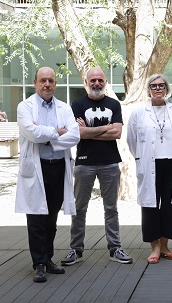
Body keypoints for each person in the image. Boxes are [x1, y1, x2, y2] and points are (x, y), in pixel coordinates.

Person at [61, 67, 133, 266]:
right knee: (79, 208)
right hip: (84, 162)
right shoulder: (77, 104)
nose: (96, 84)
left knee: (111, 208)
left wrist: (89, 130)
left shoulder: (113, 104)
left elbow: (117, 133)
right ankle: (76, 249)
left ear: (105, 81)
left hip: (110, 162)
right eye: (93, 80)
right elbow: (78, 134)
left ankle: (115, 248)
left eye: (100, 80)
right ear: (86, 82)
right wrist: (104, 128)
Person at [15, 67, 80, 282]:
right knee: (36, 218)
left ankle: (48, 259)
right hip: (36, 168)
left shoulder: (64, 108)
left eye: (51, 80)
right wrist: (56, 131)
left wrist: (46, 135)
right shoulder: (25, 107)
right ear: (35, 83)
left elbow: (75, 136)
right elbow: (31, 133)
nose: (47, 84)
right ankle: (39, 263)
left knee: (51, 218)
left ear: (55, 84)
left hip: (58, 167)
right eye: (43, 80)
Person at [127, 74, 172, 264]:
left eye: (161, 85)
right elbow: (131, 140)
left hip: (171, 163)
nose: (158, 88)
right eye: (154, 86)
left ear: (167, 88)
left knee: (170, 206)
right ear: (149, 89)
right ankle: (155, 247)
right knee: (150, 206)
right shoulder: (138, 112)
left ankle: (165, 245)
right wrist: (141, 159)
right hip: (149, 163)